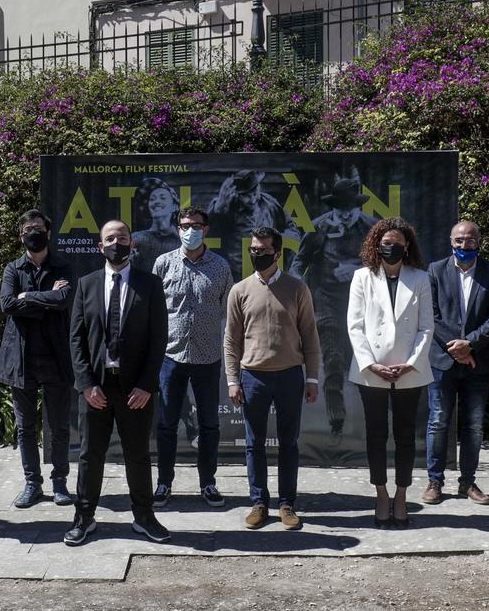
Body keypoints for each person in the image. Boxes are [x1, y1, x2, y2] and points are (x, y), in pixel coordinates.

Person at [65, 220, 170, 546]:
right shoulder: (86, 284)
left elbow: (158, 340)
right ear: (100, 246)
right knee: (89, 454)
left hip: (135, 389)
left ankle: (144, 517)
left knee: (137, 454)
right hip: (96, 387)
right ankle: (84, 517)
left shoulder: (150, 285)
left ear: (132, 244)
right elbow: (77, 338)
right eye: (110, 238)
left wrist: (146, 384)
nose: (116, 243)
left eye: (122, 238)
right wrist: (85, 383)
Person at [225, 226, 320, 531]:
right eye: (253, 249)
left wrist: (313, 379)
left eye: (263, 250)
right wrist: (232, 380)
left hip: (290, 376)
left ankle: (287, 504)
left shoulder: (297, 288)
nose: (257, 254)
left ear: (277, 253)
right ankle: (258, 503)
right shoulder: (239, 291)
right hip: (253, 377)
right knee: (254, 444)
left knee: (289, 443)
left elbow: (310, 335)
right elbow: (231, 340)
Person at [347, 217, 433, 528]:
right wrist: (372, 364)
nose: (391, 248)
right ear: (376, 246)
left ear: (407, 245)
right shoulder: (362, 278)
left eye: (396, 244)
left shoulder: (420, 278)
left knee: (406, 436)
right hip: (372, 371)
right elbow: (355, 326)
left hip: (410, 371)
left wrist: (411, 362)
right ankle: (381, 494)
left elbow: (426, 327)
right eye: (385, 244)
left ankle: (401, 494)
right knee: (376, 435)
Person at [421, 221, 489, 506]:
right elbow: (430, 315)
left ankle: (467, 483)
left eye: (470, 240)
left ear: (479, 241)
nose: (464, 245)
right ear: (450, 241)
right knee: (438, 421)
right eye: (458, 240)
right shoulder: (435, 270)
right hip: (442, 361)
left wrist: (470, 343)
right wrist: (456, 348)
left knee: (473, 426)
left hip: (477, 362)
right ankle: (435, 481)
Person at [152, 206, 234, 509]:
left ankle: (208, 483)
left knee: (209, 425)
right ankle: (164, 483)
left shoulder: (221, 266)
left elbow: (230, 313)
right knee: (166, 425)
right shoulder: (163, 264)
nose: (191, 230)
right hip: (170, 356)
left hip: (208, 357)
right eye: (185, 225)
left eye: (196, 225)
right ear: (177, 229)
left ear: (207, 229)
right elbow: (153, 312)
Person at [0, 210, 75, 509]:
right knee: (25, 427)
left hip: (56, 358)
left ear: (49, 233)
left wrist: (27, 297)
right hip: (22, 360)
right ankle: (32, 484)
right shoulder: (12, 269)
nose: (34, 232)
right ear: (21, 235)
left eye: (39, 228)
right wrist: (43, 298)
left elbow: (64, 300)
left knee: (59, 426)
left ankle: (60, 483)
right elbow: (7, 305)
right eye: (28, 228)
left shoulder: (63, 267)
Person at [289, 170, 378, 439]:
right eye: (341, 209)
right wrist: (299, 289)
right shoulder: (319, 227)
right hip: (328, 303)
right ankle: (336, 420)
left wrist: (354, 269)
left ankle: (373, 424)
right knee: (334, 362)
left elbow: (385, 265)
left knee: (366, 365)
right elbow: (298, 263)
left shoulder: (371, 227)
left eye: (350, 208)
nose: (346, 213)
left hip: (365, 306)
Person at [132, 177, 182, 273]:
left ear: (174, 206)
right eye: (152, 199)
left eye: (162, 198)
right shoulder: (135, 239)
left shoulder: (183, 241)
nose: (157, 202)